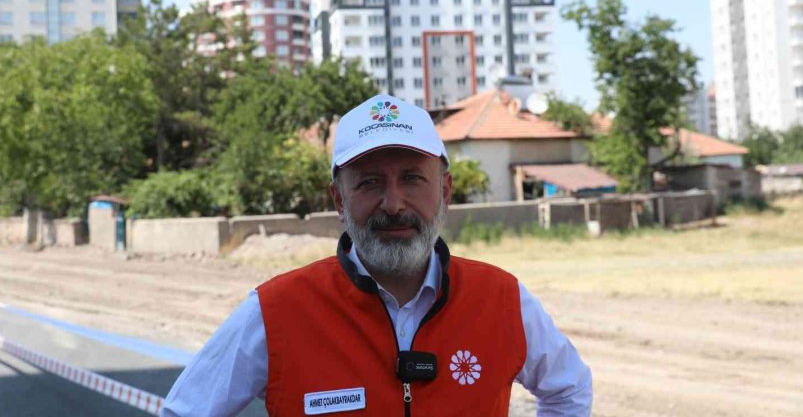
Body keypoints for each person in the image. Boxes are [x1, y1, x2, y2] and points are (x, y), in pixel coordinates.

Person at [163, 94, 592, 416]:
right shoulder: (276, 311)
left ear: (444, 190)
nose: (393, 203)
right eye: (369, 182)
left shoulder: (501, 299)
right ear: (338, 199)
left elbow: (568, 389)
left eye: (411, 178)